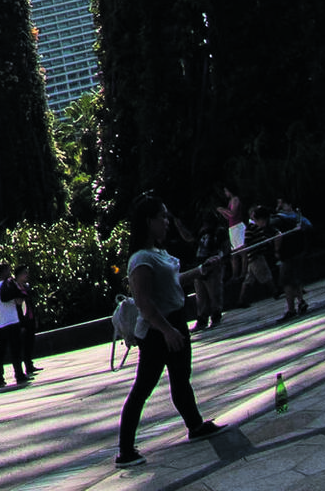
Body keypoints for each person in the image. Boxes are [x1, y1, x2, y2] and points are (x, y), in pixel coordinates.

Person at [117, 194, 218, 467]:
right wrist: (167, 330)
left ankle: (195, 425)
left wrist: (200, 270)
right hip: (156, 330)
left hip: (175, 321)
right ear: (148, 222)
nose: (166, 222)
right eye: (162, 217)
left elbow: (172, 284)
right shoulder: (140, 259)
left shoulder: (158, 254)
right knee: (143, 387)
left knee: (181, 377)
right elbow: (144, 301)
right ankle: (125, 450)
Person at [0, 261, 29, 390]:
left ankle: (0, 379)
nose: (10, 273)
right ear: (4, 272)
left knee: (0, 353)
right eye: (8, 270)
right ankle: (19, 375)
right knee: (15, 350)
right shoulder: (10, 285)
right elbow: (18, 301)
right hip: (12, 322)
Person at [272, 199, 312, 320]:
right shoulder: (287, 217)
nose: (280, 207)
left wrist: (276, 250)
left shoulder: (283, 218)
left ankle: (292, 308)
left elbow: (278, 235)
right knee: (294, 278)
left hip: (290, 252)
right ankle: (300, 301)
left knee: (287, 281)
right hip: (297, 250)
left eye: (282, 204)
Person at [192, 207, 228, 330]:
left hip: (213, 265)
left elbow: (225, 247)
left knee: (214, 293)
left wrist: (221, 260)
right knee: (200, 295)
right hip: (200, 264)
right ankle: (202, 319)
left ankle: (216, 316)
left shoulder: (220, 231)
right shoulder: (202, 231)